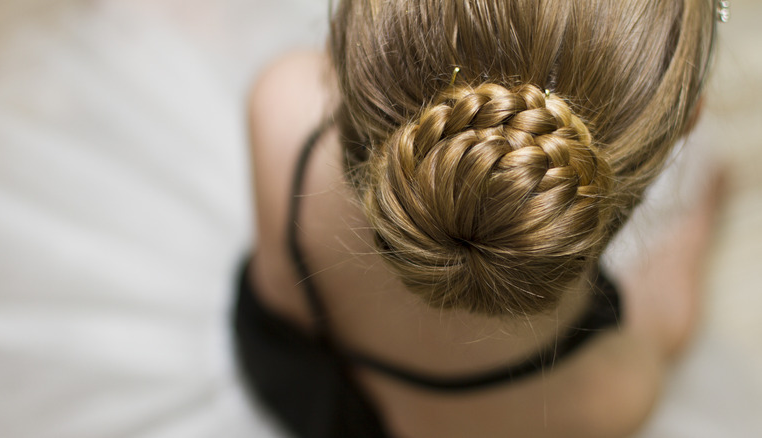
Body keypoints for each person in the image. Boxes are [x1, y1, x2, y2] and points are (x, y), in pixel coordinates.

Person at [233, 1, 724, 437]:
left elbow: (279, 289)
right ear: (688, 122)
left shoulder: (280, 108)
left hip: (279, 366)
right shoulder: (605, 395)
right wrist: (691, 243)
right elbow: (666, 326)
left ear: (352, 47)